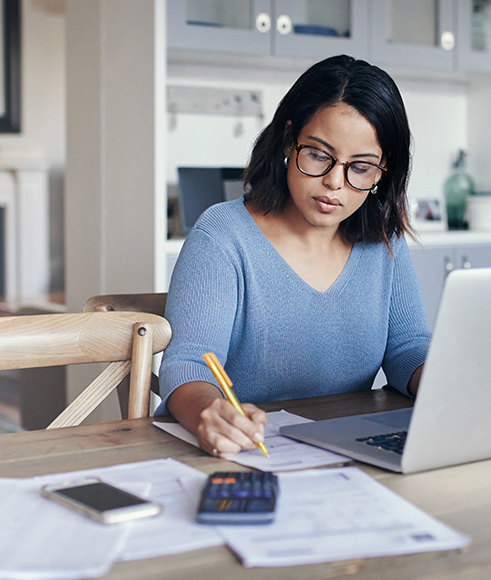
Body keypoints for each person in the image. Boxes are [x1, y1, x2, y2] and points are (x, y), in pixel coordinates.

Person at [160, 55, 432, 459]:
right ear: (290, 140)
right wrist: (208, 412)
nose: (334, 183)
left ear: (383, 173)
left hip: (346, 452)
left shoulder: (383, 242)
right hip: (244, 454)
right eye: (319, 155)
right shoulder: (223, 235)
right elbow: (189, 363)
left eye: (361, 167)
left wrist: (453, 383)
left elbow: (407, 349)